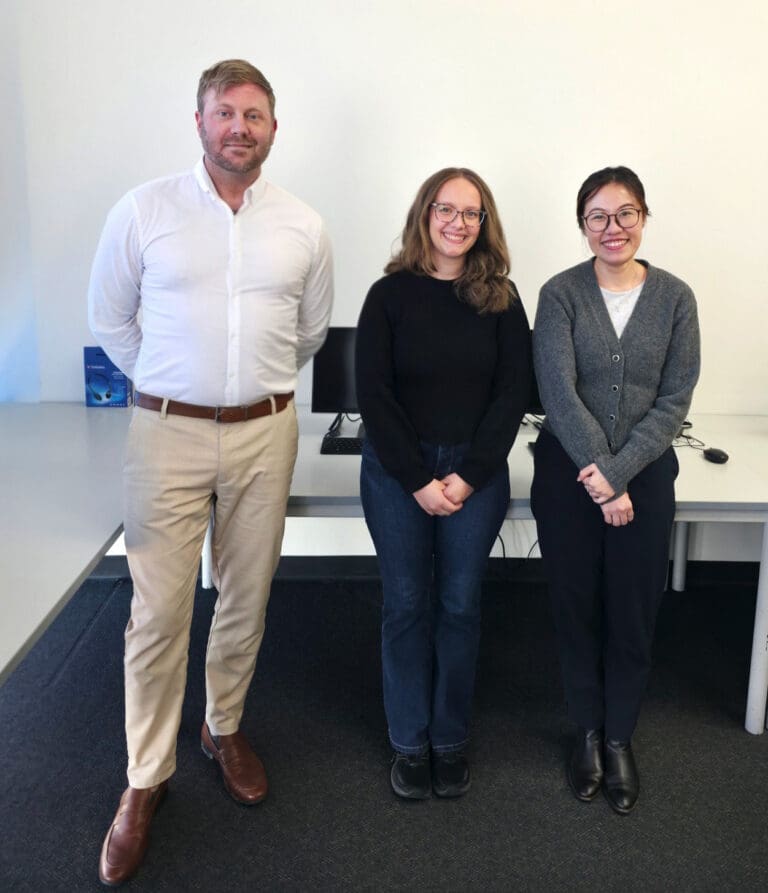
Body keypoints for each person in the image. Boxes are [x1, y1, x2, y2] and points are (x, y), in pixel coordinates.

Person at [88, 59, 333, 885]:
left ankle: (222, 725)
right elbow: (110, 320)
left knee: (246, 594)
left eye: (254, 114)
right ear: (198, 122)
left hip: (267, 432)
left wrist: (242, 393)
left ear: (273, 127)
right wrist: (172, 388)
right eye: (224, 112)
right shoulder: (145, 210)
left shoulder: (302, 223)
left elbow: (308, 334)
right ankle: (144, 777)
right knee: (157, 613)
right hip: (166, 434)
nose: (239, 127)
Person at [355, 168, 532, 800]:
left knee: (459, 605)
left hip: (475, 472)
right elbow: (373, 396)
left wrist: (468, 475)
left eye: (471, 213)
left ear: (485, 224)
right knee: (406, 604)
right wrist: (418, 479)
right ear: (424, 214)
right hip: (398, 473)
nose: (458, 222)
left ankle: (449, 739)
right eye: (446, 209)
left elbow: (513, 395)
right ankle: (408, 740)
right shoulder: (388, 296)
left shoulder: (503, 299)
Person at [530, 166, 700, 815]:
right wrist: (601, 477)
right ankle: (588, 732)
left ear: (644, 218)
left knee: (633, 610)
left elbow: (674, 398)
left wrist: (621, 472)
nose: (612, 227)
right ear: (583, 225)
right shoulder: (560, 294)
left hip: (645, 472)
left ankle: (622, 733)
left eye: (625, 213)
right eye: (598, 216)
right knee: (577, 606)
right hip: (567, 473)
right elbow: (557, 390)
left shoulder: (676, 297)